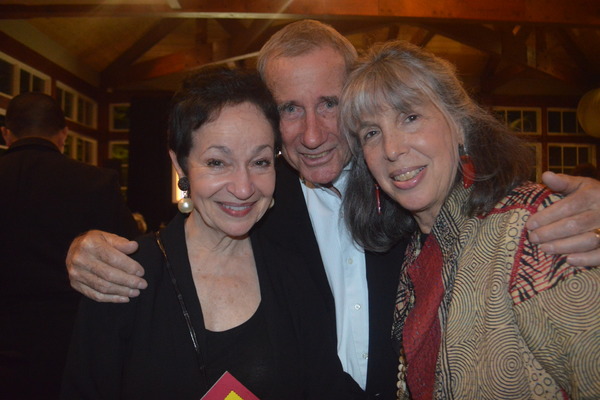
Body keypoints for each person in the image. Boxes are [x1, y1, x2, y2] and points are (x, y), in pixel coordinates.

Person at [64, 20, 600, 399]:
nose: (314, 134)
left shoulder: (413, 199)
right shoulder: (255, 210)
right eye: (290, 110)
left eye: (330, 105)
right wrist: (84, 250)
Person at [61, 68, 363, 399]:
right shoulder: (121, 276)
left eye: (260, 162)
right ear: (180, 164)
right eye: (218, 162)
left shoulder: (293, 275)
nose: (244, 187)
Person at [340, 40, 600, 399]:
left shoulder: (532, 227)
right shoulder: (415, 253)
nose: (391, 148)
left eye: (410, 117)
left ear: (459, 125)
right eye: (371, 132)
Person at [0, 92, 139, 399]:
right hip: (71, 345)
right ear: (63, 134)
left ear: (6, 133)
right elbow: (132, 253)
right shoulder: (96, 183)